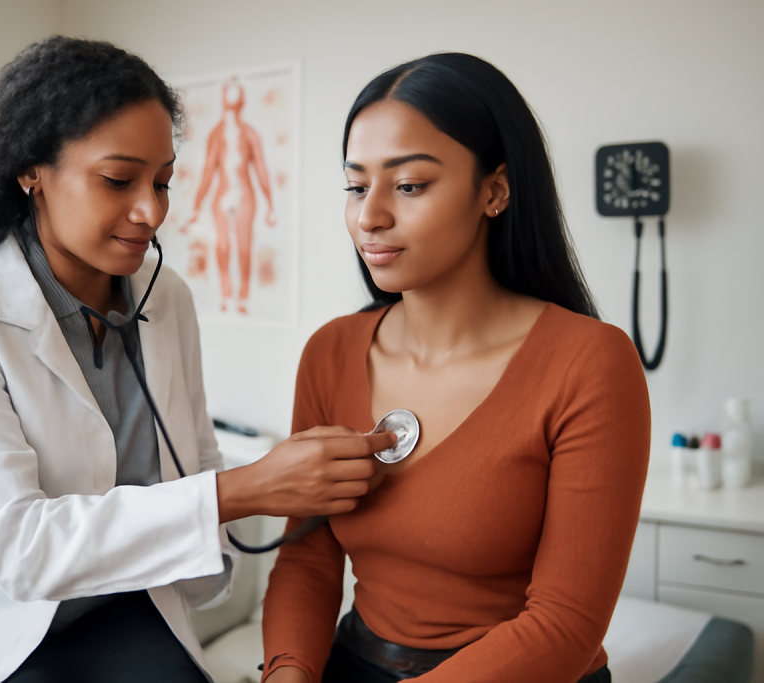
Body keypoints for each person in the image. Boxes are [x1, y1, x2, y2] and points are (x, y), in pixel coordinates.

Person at [0, 37, 394, 683]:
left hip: (120, 601)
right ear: (30, 170)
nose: (152, 211)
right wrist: (251, 487)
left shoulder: (167, 296)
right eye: (118, 179)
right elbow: (21, 550)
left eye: (163, 182)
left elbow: (195, 452)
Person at [261, 53, 651, 683]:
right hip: (355, 662)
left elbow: (565, 625)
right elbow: (310, 559)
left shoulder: (591, 362)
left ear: (494, 191)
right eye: (356, 186)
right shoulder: (330, 351)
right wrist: (286, 673)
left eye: (409, 185)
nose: (370, 216)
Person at [188, 78, 276, 314]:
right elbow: (207, 172)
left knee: (244, 246)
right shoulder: (216, 135)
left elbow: (261, 170)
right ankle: (226, 293)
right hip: (223, 194)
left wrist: (270, 204)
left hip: (245, 194)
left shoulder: (249, 134)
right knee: (223, 245)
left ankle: (243, 296)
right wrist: (196, 205)